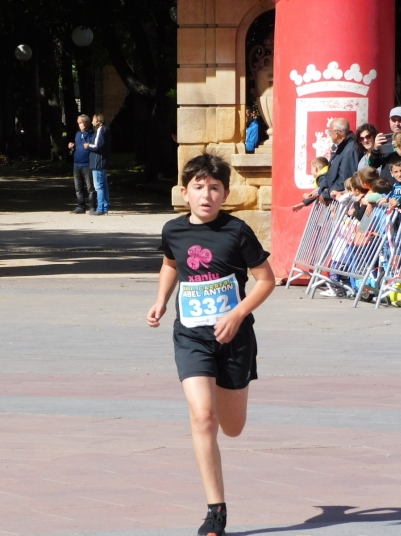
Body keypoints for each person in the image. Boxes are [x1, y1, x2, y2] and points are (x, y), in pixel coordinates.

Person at [146, 154, 276, 536]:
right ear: (184, 192)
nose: (206, 195)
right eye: (199, 188)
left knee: (232, 428)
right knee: (203, 417)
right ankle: (215, 511)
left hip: (235, 340)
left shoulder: (237, 231)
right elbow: (171, 264)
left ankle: (219, 399)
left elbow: (267, 280)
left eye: (214, 188)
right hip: (191, 335)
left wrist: (237, 314)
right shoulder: (173, 230)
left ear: (225, 194)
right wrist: (161, 299)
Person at [319, 118, 361, 203]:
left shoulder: (350, 149)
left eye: (330, 132)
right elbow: (330, 174)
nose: (329, 134)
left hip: (344, 203)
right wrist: (324, 190)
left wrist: (327, 194)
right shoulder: (342, 148)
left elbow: (345, 179)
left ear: (336, 133)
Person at [370, 106, 401, 181]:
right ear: (389, 121)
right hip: (386, 187)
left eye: (400, 120)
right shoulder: (384, 139)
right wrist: (375, 149)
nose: (396, 123)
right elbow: (372, 166)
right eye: (393, 120)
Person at [67, 114, 95, 214]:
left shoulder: (91, 134)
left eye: (81, 123)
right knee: (78, 187)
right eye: (78, 123)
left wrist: (86, 135)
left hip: (87, 164)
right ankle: (81, 206)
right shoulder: (78, 134)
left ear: (86, 123)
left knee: (90, 187)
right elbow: (77, 146)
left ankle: (92, 207)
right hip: (77, 164)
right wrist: (72, 147)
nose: (79, 125)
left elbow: (93, 145)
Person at [86, 112, 111, 215]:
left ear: (97, 120)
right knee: (104, 185)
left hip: (98, 161)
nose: (92, 121)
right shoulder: (106, 130)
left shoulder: (101, 130)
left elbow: (97, 145)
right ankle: (104, 207)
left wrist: (88, 145)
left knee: (99, 186)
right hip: (103, 161)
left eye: (93, 119)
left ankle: (100, 208)